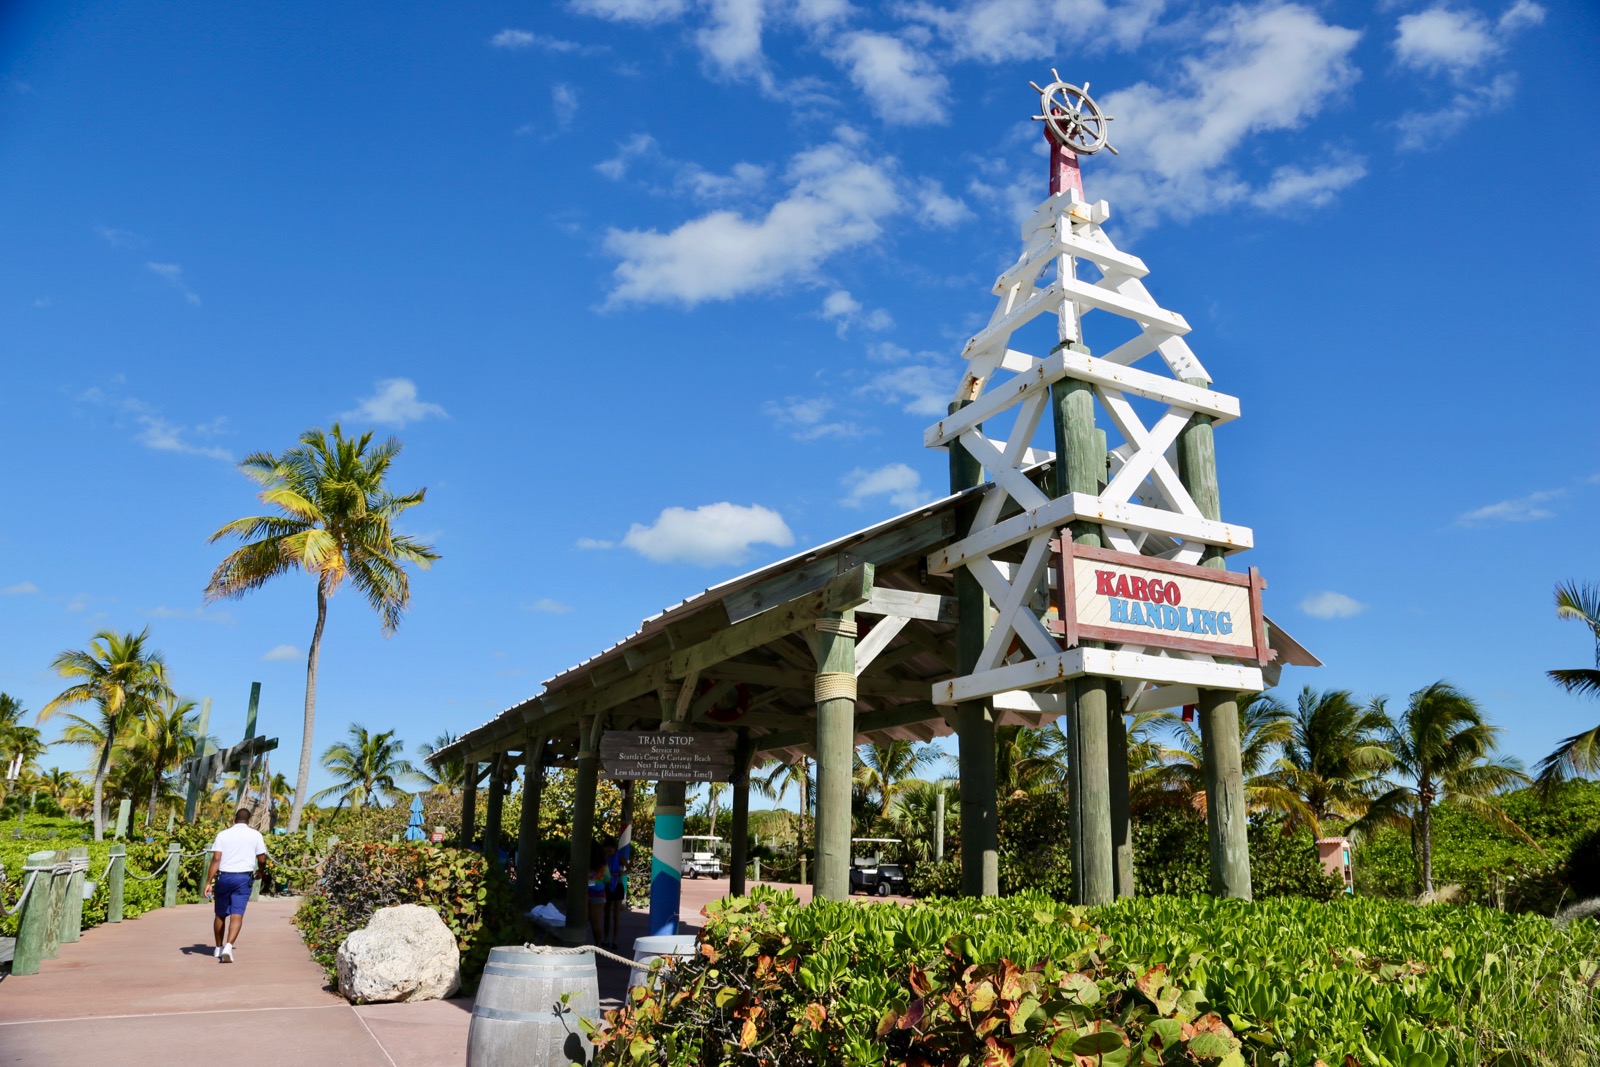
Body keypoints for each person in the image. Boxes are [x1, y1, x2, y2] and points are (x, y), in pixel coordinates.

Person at [203, 807, 269, 963]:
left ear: (234, 818)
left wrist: (208, 882)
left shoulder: (223, 835)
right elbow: (261, 858)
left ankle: (218, 947)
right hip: (243, 878)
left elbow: (216, 858)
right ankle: (229, 946)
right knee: (237, 914)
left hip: (224, 877)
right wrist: (260, 871)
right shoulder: (256, 835)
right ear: (249, 819)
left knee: (220, 914)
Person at [604, 823, 632, 949]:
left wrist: (622, 872)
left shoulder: (620, 858)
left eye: (610, 850)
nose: (608, 852)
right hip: (607, 887)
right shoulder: (605, 858)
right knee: (606, 914)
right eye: (607, 850)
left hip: (618, 886)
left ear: (614, 849)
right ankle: (605, 938)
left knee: (616, 915)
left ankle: (614, 940)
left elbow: (629, 869)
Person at [586, 841, 609, 946]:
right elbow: (608, 879)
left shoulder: (582, 863)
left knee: (583, 919)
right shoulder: (603, 866)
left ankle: (578, 943)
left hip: (584, 893)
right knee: (595, 921)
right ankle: (598, 945)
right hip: (598, 893)